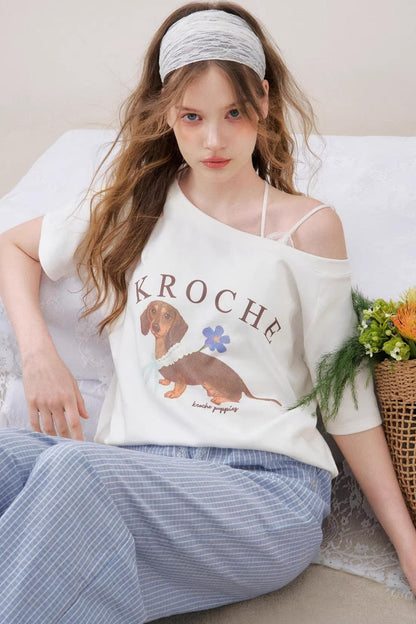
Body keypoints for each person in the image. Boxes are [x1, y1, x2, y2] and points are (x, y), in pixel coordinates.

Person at [0, 2, 415, 622]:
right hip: (136, 472)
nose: (214, 140)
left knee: (72, 471)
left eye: (234, 113)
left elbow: (345, 394)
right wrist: (39, 355)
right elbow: (13, 246)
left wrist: (407, 543)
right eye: (192, 116)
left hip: (264, 492)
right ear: (166, 112)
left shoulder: (307, 227)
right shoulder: (132, 211)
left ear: (264, 102)